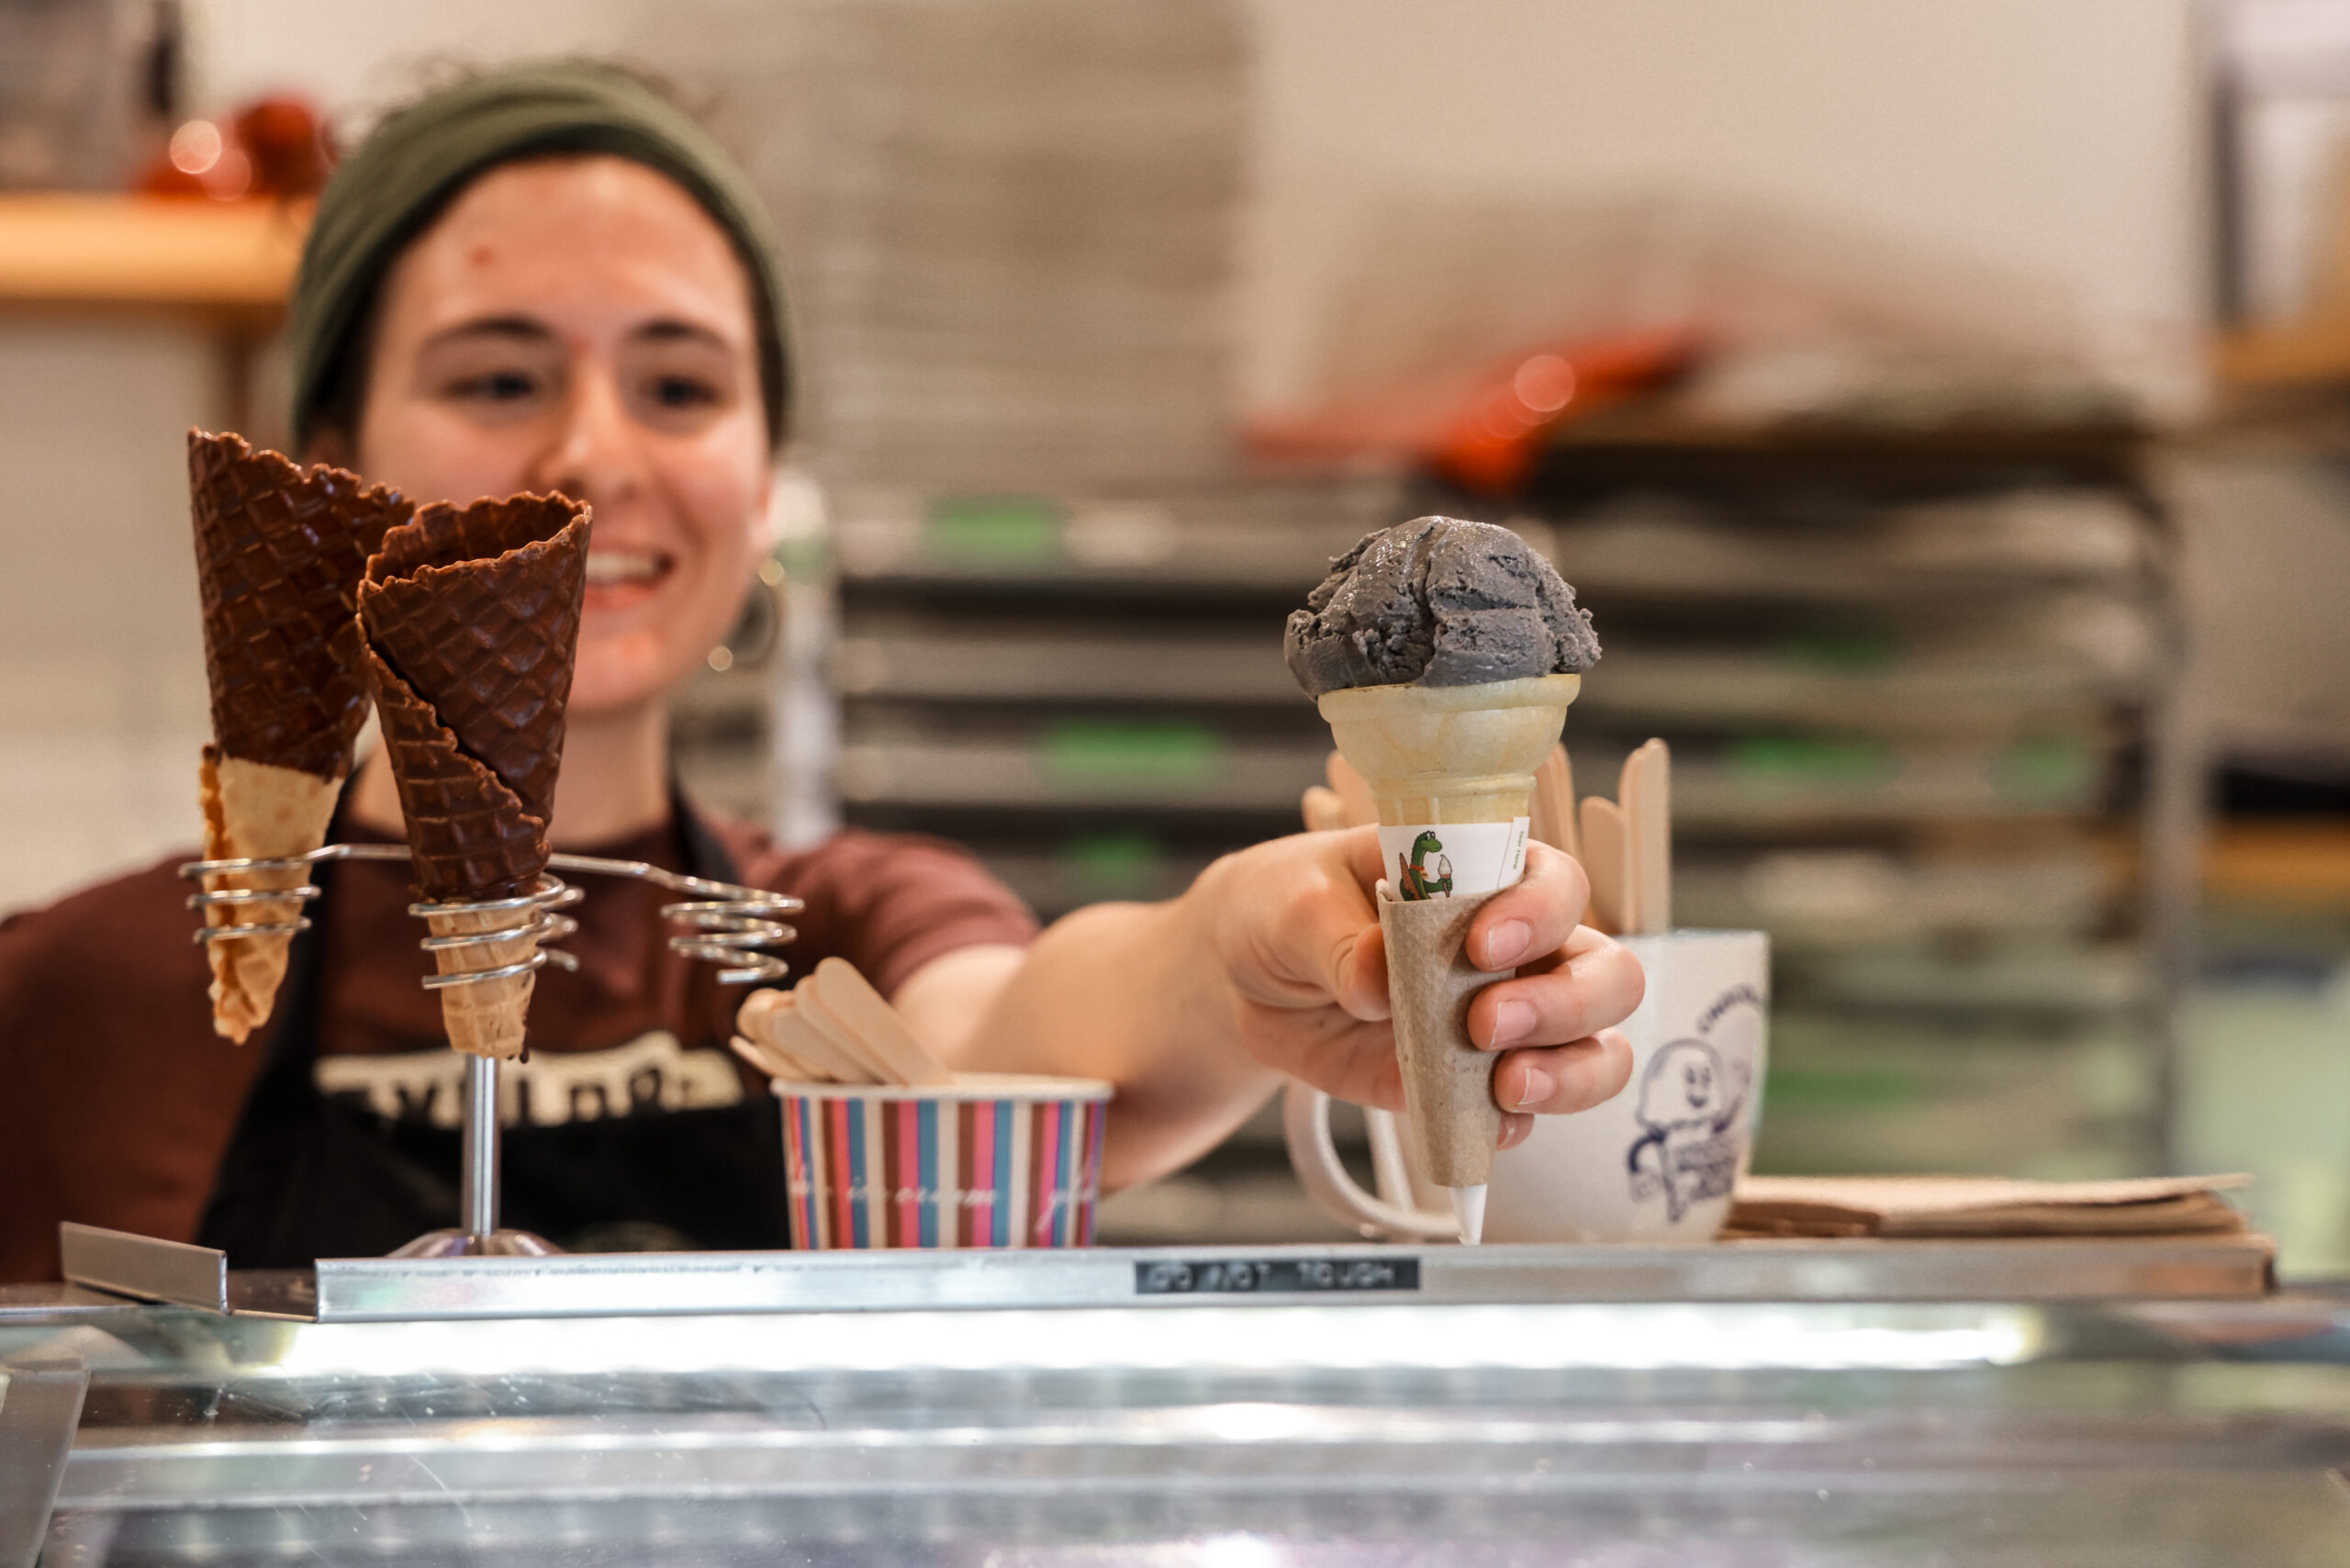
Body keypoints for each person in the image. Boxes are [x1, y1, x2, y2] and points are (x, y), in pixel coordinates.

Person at [0, 62, 1640, 1279]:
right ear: (336, 469)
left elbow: (1031, 1036)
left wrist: (1245, 954)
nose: (594, 456)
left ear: (765, 472)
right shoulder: (87, 992)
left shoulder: (845, 925)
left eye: (681, 384)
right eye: (498, 377)